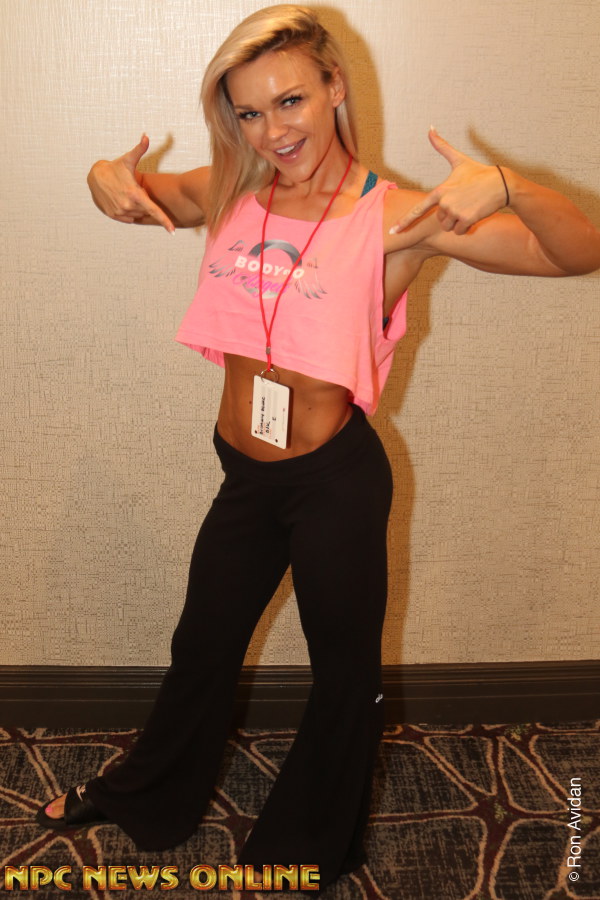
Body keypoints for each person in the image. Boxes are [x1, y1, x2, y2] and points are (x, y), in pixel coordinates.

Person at [35, 3, 600, 891]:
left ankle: (300, 851)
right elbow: (135, 193)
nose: (274, 130)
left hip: (334, 480)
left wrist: (509, 185)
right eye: (250, 112)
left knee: (344, 675)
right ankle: (147, 797)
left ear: (335, 86)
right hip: (244, 475)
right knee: (202, 643)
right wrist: (102, 174)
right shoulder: (231, 189)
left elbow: (578, 252)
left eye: (291, 100)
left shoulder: (397, 214)